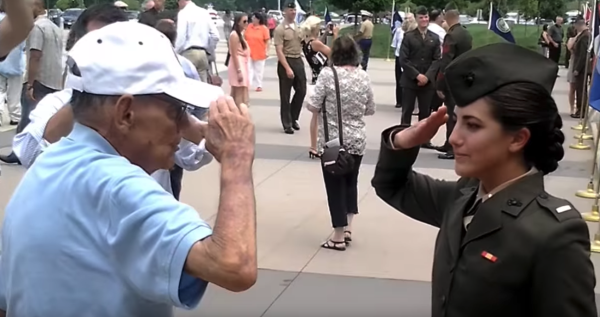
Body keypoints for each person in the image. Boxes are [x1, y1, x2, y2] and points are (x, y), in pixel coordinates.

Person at [0, 22, 257, 316]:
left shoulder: (48, 165)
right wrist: (237, 158)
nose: (182, 127)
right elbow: (234, 265)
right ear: (125, 113)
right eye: (176, 111)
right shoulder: (116, 185)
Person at [371, 42, 597, 317]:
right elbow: (391, 185)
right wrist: (403, 140)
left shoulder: (552, 233)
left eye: (473, 125)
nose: (454, 138)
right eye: (458, 121)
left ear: (517, 138)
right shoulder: (465, 197)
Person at [11, 4, 130, 168]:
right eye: (97, 43)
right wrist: (83, 96)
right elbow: (29, 154)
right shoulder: (58, 103)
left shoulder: (151, 103)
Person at [308, 35, 375, 250]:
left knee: (334, 186)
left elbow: (313, 106)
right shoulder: (363, 76)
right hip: (357, 139)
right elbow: (370, 108)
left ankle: (337, 235)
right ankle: (348, 228)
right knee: (351, 182)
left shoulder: (328, 75)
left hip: (333, 142)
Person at [0, 0, 63, 165]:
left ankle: (21, 152)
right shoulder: (53, 27)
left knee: (29, 118)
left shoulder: (38, 27)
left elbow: (34, 53)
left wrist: (30, 82)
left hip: (39, 80)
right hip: (51, 80)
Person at [432, 9, 472, 160]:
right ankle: (448, 144)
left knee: (451, 114)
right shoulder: (466, 33)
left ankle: (452, 148)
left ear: (447, 18)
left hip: (451, 80)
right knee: (456, 113)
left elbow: (446, 61)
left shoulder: (451, 35)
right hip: (463, 78)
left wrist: (440, 83)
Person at [398, 6, 440, 141]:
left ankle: (424, 139)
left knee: (425, 112)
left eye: (426, 17)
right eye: (421, 17)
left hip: (427, 81)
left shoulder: (434, 37)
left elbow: (437, 59)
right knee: (407, 111)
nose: (424, 20)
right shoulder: (409, 36)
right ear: (416, 19)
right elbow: (403, 59)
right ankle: (404, 137)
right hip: (410, 80)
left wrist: (427, 76)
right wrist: (417, 75)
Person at [300, 16, 338, 158]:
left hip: (315, 81)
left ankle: (313, 146)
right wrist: (335, 35)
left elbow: (318, 43)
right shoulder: (316, 44)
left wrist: (325, 34)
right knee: (327, 117)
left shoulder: (307, 43)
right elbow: (334, 54)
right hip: (325, 82)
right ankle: (325, 145)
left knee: (316, 117)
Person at [274, 1, 306, 134]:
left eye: (294, 10)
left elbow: (306, 44)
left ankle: (293, 118)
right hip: (286, 60)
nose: (293, 12)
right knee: (285, 95)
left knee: (302, 90)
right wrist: (287, 68)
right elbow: (279, 51)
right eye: (290, 10)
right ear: (285, 11)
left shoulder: (299, 28)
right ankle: (287, 123)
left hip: (298, 60)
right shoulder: (280, 29)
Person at [174, 0, 219, 83]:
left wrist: (175, 52)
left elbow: (181, 37)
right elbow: (215, 35)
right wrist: (209, 50)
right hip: (203, 53)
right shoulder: (204, 12)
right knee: (203, 85)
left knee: (189, 84)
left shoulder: (183, 13)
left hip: (189, 53)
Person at [0, 2, 25, 127]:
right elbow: (23, 45)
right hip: (15, 63)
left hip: (1, 63)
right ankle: (15, 116)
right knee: (14, 92)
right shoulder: (17, 22)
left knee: (0, 90)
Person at [228, 13, 250, 107]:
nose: (246, 23)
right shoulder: (234, 35)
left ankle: (236, 113)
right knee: (239, 92)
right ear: (238, 22)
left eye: (247, 21)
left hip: (242, 63)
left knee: (239, 90)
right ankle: (238, 113)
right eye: (244, 21)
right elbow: (234, 54)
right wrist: (239, 71)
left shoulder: (240, 34)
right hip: (237, 64)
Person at [246, 12, 270, 92]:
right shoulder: (249, 27)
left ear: (258, 19)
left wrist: (267, 51)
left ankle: (259, 85)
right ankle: (248, 83)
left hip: (260, 51)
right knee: (249, 69)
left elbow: (267, 41)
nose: (252, 19)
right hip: (249, 51)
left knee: (259, 70)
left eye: (254, 18)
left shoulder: (264, 28)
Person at [427, 9, 446, 113]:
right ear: (438, 17)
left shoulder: (427, 28)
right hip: (438, 60)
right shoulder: (440, 31)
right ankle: (435, 108)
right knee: (435, 86)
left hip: (426, 61)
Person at [571, 16, 590, 119]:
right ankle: (580, 110)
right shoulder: (584, 35)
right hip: (582, 67)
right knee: (580, 90)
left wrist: (577, 69)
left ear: (579, 25)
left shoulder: (585, 36)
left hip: (582, 68)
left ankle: (581, 111)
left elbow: (583, 54)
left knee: (581, 90)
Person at [391, 17, 405, 109]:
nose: (408, 21)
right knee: (399, 80)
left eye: (410, 19)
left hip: (410, 58)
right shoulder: (399, 31)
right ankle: (399, 101)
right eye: (406, 19)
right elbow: (394, 44)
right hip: (399, 57)